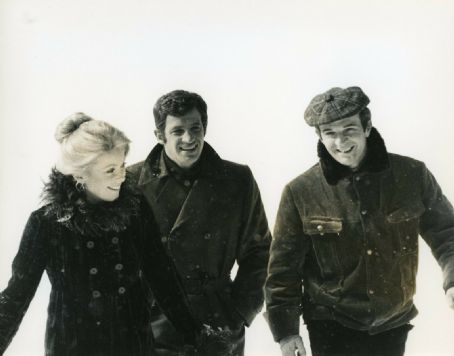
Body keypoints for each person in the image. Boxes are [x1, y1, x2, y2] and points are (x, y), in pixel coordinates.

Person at [265, 86, 454, 356]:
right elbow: (283, 269)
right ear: (319, 136)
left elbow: (447, 233)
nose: (340, 143)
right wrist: (286, 331)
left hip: (392, 323)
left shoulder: (412, 175)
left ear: (366, 127)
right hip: (330, 325)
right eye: (330, 133)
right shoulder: (300, 192)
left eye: (349, 129)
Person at [0, 113, 200, 356]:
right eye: (110, 170)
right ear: (80, 175)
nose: (122, 176)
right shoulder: (46, 223)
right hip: (74, 347)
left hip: (133, 344)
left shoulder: (136, 210)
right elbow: (16, 297)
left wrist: (198, 337)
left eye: (123, 165)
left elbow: (163, 279)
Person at [128, 89, 271, 355]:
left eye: (196, 128)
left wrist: (239, 311)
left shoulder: (237, 179)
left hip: (217, 321)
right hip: (154, 322)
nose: (189, 138)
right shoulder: (131, 182)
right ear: (159, 135)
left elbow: (260, 252)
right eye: (178, 131)